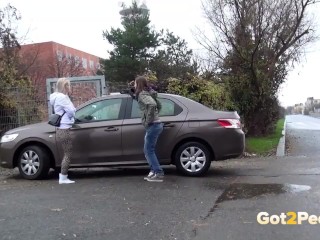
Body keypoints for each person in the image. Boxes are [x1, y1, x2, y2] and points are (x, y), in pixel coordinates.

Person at [134, 76, 164, 182]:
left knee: (149, 150)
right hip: (156, 124)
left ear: (138, 84)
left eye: (135, 83)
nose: (134, 85)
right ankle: (153, 172)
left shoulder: (142, 94)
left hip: (153, 125)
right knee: (148, 150)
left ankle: (158, 173)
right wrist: (155, 116)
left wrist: (148, 121)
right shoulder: (149, 93)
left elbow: (152, 104)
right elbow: (159, 105)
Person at [49, 78, 76, 184]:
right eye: (68, 85)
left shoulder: (56, 97)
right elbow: (71, 111)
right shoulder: (63, 97)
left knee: (67, 153)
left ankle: (63, 176)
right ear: (64, 87)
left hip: (62, 128)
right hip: (65, 128)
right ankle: (63, 177)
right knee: (68, 153)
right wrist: (72, 114)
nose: (70, 87)